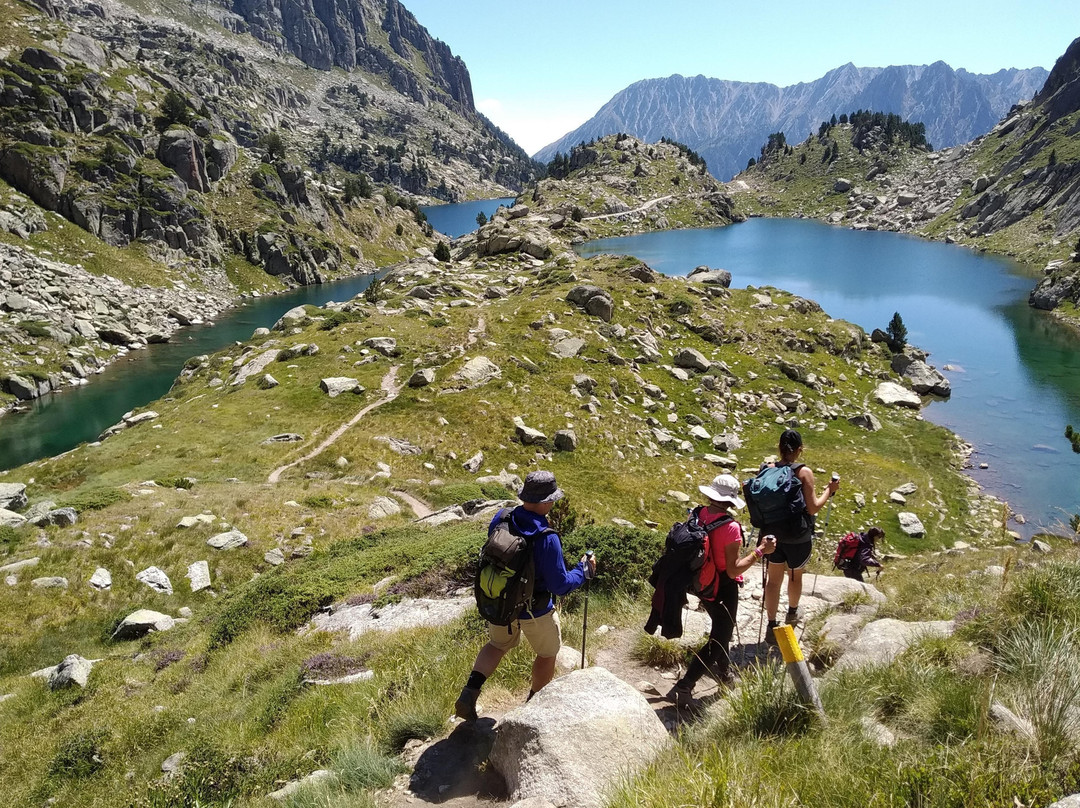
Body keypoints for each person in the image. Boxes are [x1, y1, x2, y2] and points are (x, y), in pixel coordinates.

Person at [454, 470, 596, 721]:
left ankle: (469, 692)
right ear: (545, 502)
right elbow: (560, 585)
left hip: (501, 602)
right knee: (547, 653)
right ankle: (533, 706)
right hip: (535, 609)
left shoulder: (501, 517)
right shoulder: (546, 537)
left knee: (497, 645)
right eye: (552, 499)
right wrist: (583, 571)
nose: (554, 503)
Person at [668, 474, 776, 706]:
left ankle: (724, 674)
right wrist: (760, 551)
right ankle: (685, 686)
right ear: (730, 500)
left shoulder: (697, 514)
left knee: (721, 628)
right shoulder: (731, 527)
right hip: (722, 587)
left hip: (699, 582)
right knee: (720, 637)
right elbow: (733, 570)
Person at [762, 429, 839, 645]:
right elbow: (813, 508)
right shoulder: (804, 472)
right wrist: (829, 490)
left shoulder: (767, 469)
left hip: (772, 535)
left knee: (773, 581)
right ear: (800, 449)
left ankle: (771, 625)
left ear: (779, 447)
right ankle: (792, 614)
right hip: (798, 536)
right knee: (795, 576)